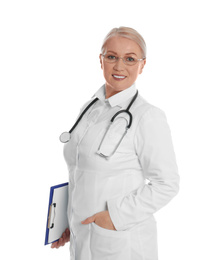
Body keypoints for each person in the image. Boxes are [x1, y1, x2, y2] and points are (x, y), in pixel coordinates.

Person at [51, 26, 179, 260]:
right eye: (111, 57)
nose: (119, 66)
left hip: (121, 243)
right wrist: (69, 221)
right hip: (83, 236)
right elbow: (81, 172)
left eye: (130, 59)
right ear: (101, 61)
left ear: (142, 65)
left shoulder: (147, 117)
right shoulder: (90, 109)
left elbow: (167, 184)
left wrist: (113, 218)